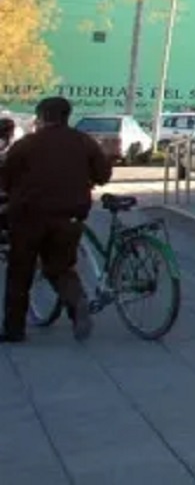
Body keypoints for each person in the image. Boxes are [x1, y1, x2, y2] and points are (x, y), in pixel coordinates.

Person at [1, 96, 112, 343]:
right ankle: (77, 302)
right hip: (70, 216)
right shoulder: (85, 142)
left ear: (41, 118)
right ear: (67, 117)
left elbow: (6, 179)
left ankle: (14, 329)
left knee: (20, 271)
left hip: (28, 216)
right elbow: (103, 175)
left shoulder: (26, 145)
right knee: (60, 268)